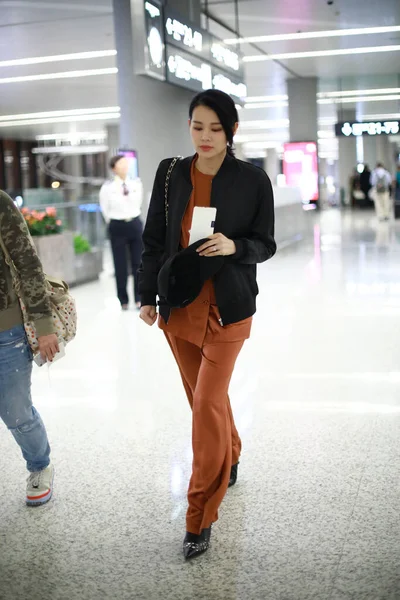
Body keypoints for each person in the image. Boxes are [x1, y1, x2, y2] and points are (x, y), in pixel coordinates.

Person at [138, 89, 276, 560]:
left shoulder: (253, 180)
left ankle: (199, 517)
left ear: (232, 130)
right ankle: (231, 452)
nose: (205, 136)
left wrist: (235, 247)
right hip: (179, 308)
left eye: (216, 128)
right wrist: (146, 296)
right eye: (198, 126)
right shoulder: (171, 173)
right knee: (206, 401)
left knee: (204, 407)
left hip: (228, 309)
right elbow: (154, 238)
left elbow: (266, 243)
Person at [0, 190, 59, 506]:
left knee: (16, 411)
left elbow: (28, 264)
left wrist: (44, 326)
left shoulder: (0, 204)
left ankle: (40, 466)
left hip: (5, 331)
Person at [100, 155, 143, 310]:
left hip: (134, 223)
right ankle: (123, 299)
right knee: (120, 264)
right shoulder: (107, 187)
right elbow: (104, 208)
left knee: (139, 262)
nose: (124, 166)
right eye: (120, 164)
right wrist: (114, 220)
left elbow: (139, 202)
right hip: (117, 225)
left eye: (126, 163)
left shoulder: (136, 183)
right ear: (113, 168)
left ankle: (139, 298)